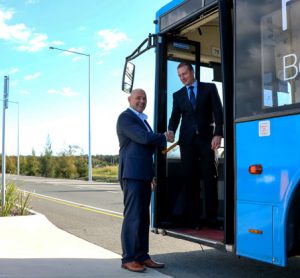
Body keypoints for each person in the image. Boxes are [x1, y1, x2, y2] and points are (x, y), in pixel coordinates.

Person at [117, 88, 172, 272]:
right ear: (129, 100)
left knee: (143, 218)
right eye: (138, 98)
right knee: (132, 217)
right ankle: (128, 258)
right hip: (131, 175)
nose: (141, 101)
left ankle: (142, 256)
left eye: (144, 98)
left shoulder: (144, 121)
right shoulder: (125, 118)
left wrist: (152, 175)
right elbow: (143, 138)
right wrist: (163, 136)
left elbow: (149, 151)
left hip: (144, 175)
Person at [168, 62, 223, 229]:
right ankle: (194, 220)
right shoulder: (178, 95)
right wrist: (171, 130)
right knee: (190, 180)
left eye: (184, 74)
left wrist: (218, 134)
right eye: (179, 76)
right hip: (187, 142)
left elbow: (218, 112)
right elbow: (175, 117)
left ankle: (212, 218)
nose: (182, 78)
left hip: (207, 140)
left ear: (192, 72)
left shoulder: (209, 88)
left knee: (209, 179)